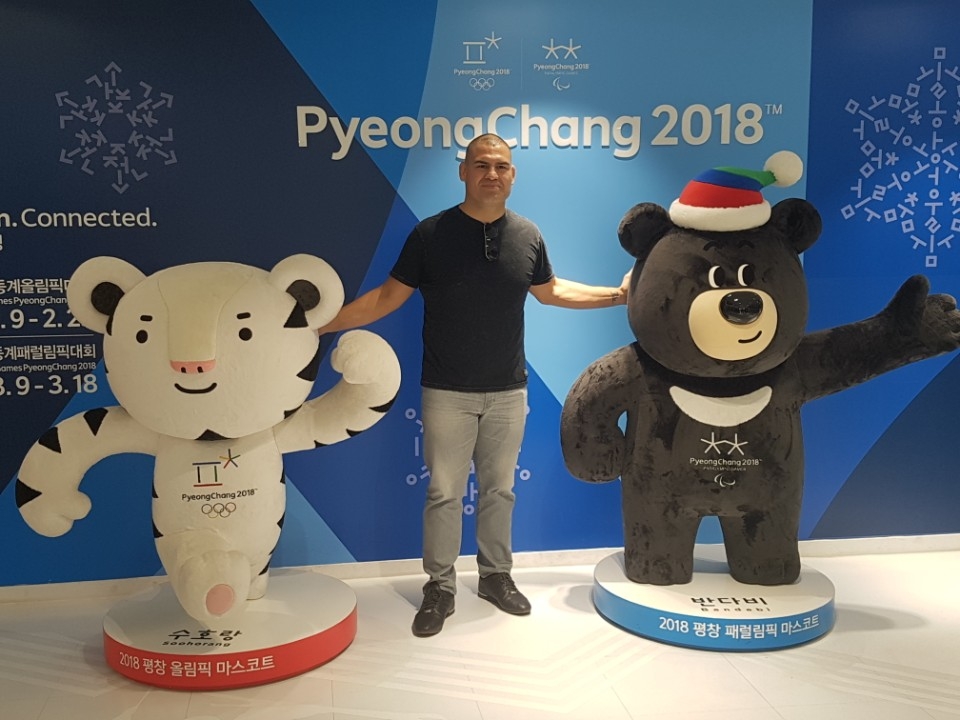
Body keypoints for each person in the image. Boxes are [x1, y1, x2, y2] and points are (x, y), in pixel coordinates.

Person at [320, 133, 629, 637]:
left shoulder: (527, 235)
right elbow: (385, 298)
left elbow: (552, 291)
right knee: (444, 492)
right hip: (447, 391)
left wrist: (619, 295)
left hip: (508, 390)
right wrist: (323, 325)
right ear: (463, 172)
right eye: (481, 165)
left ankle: (495, 577)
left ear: (513, 176)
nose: (492, 174)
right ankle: (439, 587)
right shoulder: (430, 234)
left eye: (501, 166)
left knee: (499, 490)